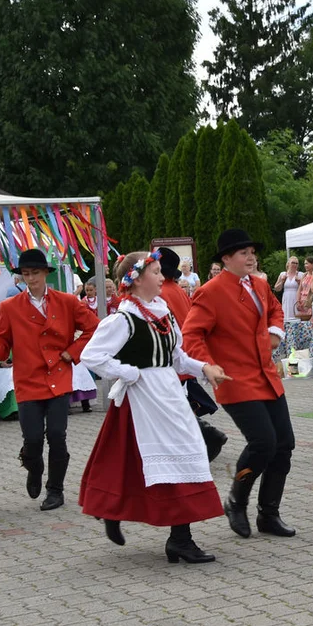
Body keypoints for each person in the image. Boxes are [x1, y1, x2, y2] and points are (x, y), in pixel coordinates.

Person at [79, 251, 229, 564]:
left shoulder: (163, 312)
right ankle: (174, 535)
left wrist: (205, 368)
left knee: (182, 456)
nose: (163, 278)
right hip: (142, 399)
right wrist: (128, 372)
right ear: (135, 279)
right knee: (139, 463)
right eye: (157, 272)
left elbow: (176, 358)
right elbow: (91, 355)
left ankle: (177, 537)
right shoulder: (123, 319)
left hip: (169, 394)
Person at [182, 228, 297, 540]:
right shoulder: (210, 291)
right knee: (263, 443)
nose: (251, 257)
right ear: (226, 258)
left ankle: (269, 514)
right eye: (243, 253)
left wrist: (276, 332)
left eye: (252, 252)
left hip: (266, 376)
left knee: (284, 444)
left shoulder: (259, 284)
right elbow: (191, 336)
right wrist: (207, 365)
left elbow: (275, 310)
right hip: (235, 380)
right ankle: (236, 500)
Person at [0, 248, 99, 511]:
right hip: (28, 379)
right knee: (33, 440)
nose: (30, 278)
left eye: (35, 273)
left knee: (57, 435)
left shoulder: (67, 301)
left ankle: (55, 490)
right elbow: (2, 341)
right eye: (25, 274)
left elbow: (94, 327)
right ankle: (33, 467)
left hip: (58, 376)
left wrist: (73, 352)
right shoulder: (10, 306)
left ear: (46, 273)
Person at [158, 247, 228, 460]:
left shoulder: (161, 294)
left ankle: (206, 435)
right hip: (183, 357)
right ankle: (199, 439)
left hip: (170, 359)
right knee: (175, 405)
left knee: (170, 408)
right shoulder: (177, 291)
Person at [274, 256, 302, 322]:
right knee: (286, 316)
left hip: (296, 297)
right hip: (286, 297)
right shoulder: (283, 274)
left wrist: (299, 282)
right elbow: (276, 289)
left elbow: (305, 289)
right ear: (288, 263)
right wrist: (282, 281)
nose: (295, 265)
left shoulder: (300, 274)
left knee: (296, 317)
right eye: (293, 263)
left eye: (296, 263)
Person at [295, 256, 313, 320]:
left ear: (312, 264)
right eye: (304, 264)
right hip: (302, 300)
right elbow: (300, 289)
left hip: (310, 299)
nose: (305, 265)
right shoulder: (304, 275)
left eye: (307, 263)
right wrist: (298, 301)